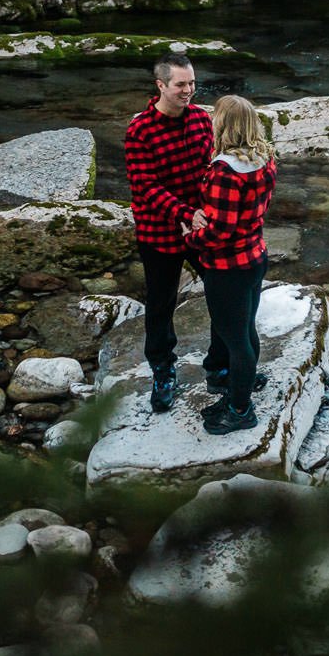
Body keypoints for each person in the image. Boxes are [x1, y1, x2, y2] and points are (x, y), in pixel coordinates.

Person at [123, 52, 213, 413]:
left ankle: (221, 367)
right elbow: (145, 186)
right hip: (160, 230)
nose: (188, 90)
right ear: (160, 85)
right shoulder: (139, 130)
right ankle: (163, 371)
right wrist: (183, 213)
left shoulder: (201, 119)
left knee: (224, 288)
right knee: (161, 304)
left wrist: (211, 208)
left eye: (191, 83)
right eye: (180, 85)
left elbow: (210, 167)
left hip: (200, 225)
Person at [186, 93, 277, 436]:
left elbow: (220, 232)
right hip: (255, 257)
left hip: (228, 268)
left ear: (223, 125)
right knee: (245, 329)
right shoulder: (265, 160)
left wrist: (191, 237)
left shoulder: (225, 172)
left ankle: (240, 409)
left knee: (236, 340)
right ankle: (243, 385)